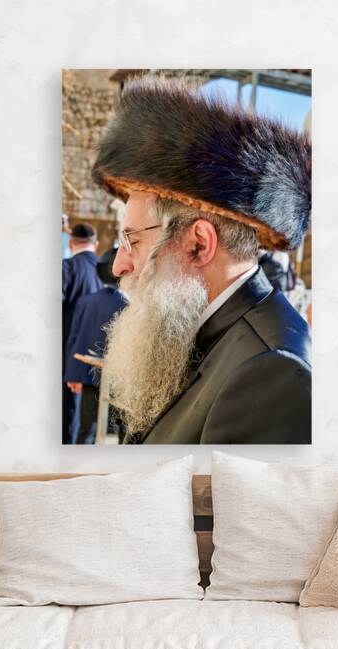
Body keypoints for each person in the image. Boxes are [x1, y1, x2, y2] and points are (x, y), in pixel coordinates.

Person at [91, 78, 311, 444]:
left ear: (197, 245)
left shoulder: (273, 372)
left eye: (132, 240)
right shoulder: (200, 328)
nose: (118, 266)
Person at [64, 248, 127, 444]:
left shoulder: (86, 301)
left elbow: (75, 338)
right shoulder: (129, 304)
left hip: (89, 373)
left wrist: (73, 374)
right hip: (120, 377)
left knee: (87, 427)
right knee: (121, 429)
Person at [60, 222, 102, 443]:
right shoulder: (108, 272)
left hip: (68, 357)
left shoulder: (67, 268)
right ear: (96, 244)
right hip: (100, 359)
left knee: (67, 420)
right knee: (91, 423)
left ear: (70, 243)